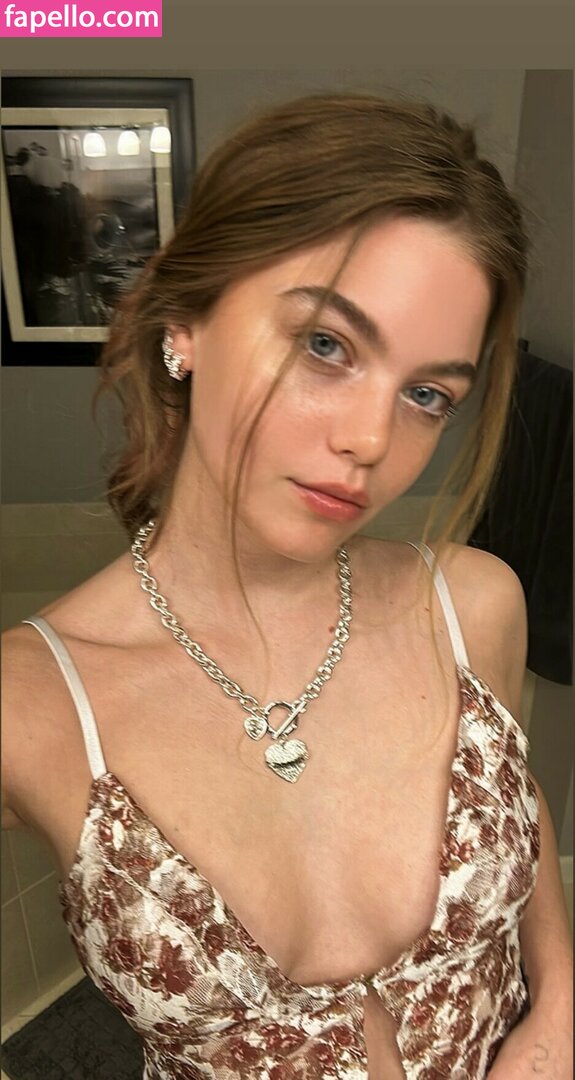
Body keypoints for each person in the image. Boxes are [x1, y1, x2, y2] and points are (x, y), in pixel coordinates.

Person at [2, 92, 572, 1079]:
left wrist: (557, 1008)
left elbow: (517, 822)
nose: (371, 439)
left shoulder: (470, 605)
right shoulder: (31, 703)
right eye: (325, 345)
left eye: (426, 394)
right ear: (185, 322)